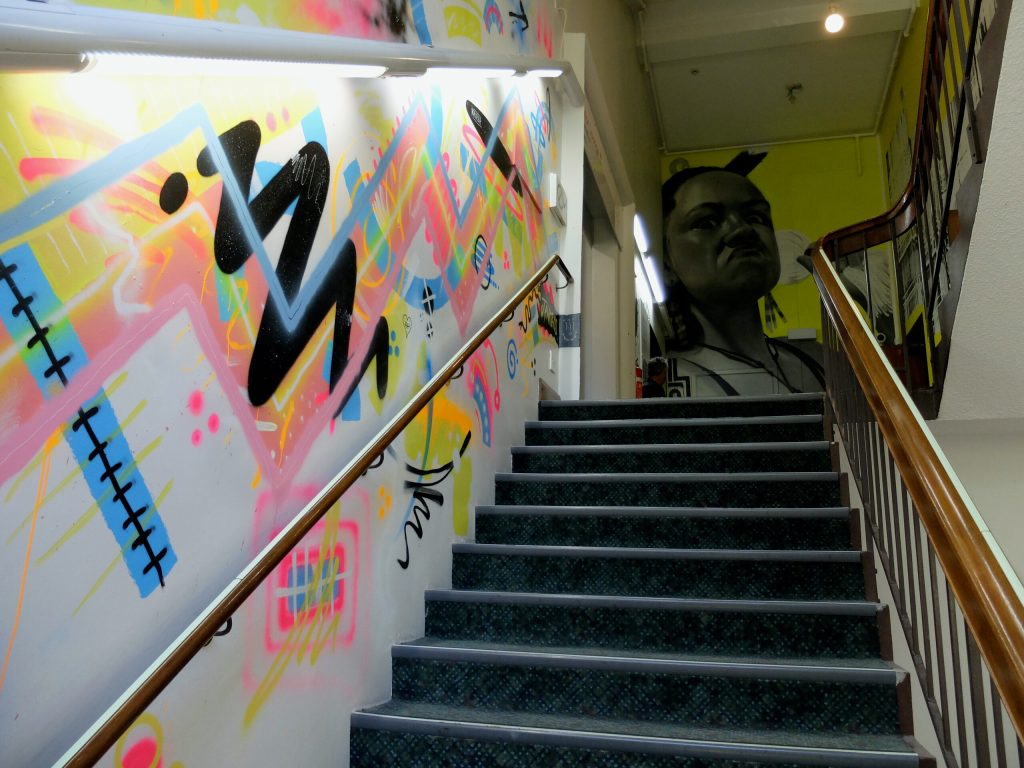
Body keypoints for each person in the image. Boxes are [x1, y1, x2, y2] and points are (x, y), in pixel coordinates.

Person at [660, 166, 824, 396]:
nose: (742, 230)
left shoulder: (816, 359)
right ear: (666, 262)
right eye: (706, 223)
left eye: (756, 217)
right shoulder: (667, 380)